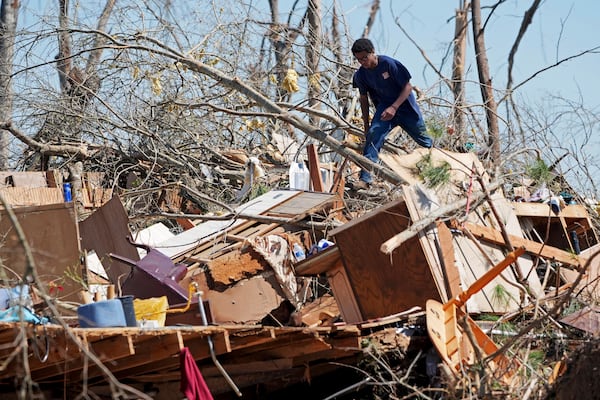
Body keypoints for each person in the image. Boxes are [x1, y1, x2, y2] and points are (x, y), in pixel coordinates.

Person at [351, 38, 432, 189]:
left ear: (372, 52)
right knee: (374, 134)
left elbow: (408, 87)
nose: (363, 62)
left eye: (365, 58)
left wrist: (394, 107)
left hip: (405, 108)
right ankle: (365, 179)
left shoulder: (389, 64)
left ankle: (438, 170)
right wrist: (367, 125)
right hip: (385, 109)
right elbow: (363, 98)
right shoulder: (361, 75)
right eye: (359, 59)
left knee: (425, 142)